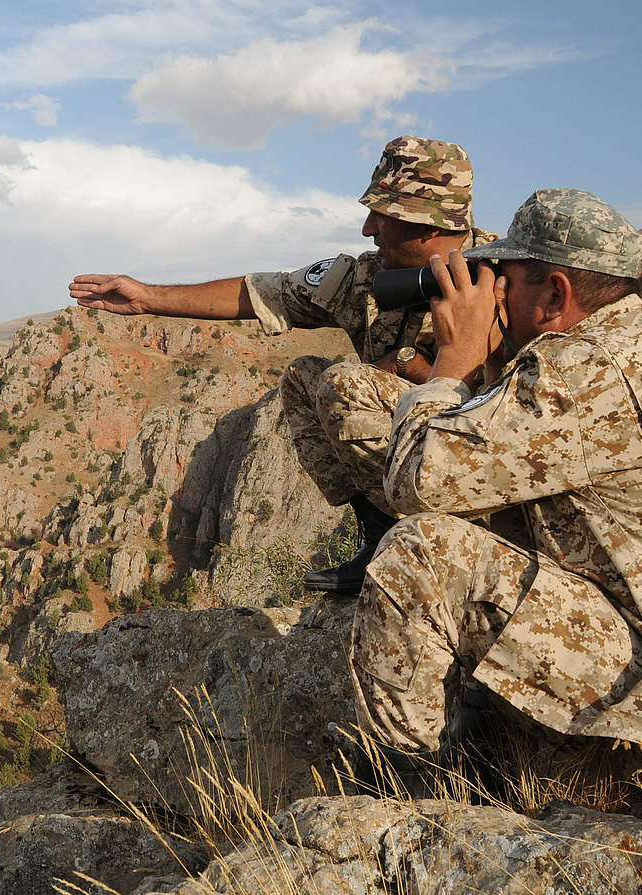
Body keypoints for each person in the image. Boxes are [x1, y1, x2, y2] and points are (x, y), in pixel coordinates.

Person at [348, 188, 642, 777]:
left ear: (556, 291)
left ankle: (408, 789)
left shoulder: (585, 369)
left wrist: (455, 357)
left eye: (506, 277)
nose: (494, 290)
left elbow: (416, 485)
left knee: (420, 552)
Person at [70, 137, 496, 593]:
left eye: (382, 216)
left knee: (345, 383)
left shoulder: (506, 283)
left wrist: (414, 367)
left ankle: (454, 548)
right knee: (303, 379)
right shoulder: (370, 277)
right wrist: (149, 299)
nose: (368, 228)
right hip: (409, 458)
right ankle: (380, 539)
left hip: (479, 464)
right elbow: (259, 293)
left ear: (427, 224)